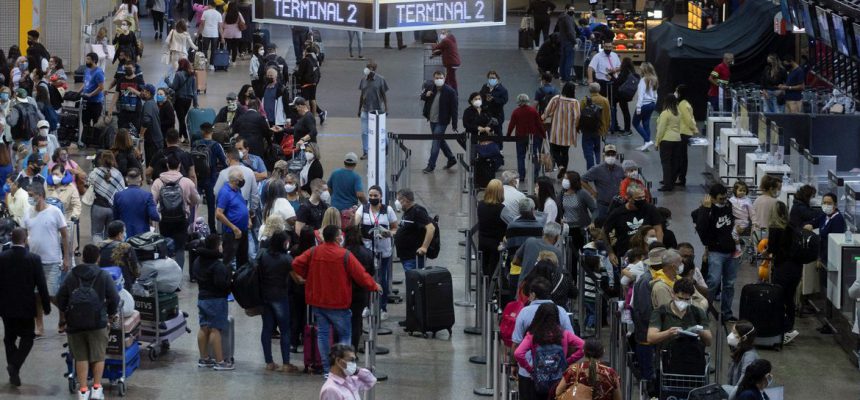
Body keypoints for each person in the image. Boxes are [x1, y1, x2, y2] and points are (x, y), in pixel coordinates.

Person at [292, 225, 381, 375]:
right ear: (336, 237)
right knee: (345, 335)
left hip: (318, 301)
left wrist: (307, 276)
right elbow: (361, 275)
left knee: (323, 335)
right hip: (338, 303)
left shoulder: (314, 251)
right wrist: (374, 285)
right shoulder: (344, 255)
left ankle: (328, 370)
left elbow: (296, 263)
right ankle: (343, 369)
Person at [56, 244, 118, 400]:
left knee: (80, 357)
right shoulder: (104, 275)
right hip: (98, 323)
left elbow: (59, 297)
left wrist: (65, 314)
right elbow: (114, 298)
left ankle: (83, 391)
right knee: (98, 355)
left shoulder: (72, 275)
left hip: (75, 323)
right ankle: (97, 389)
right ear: (98, 258)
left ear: (82, 257)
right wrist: (110, 313)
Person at [0, 227, 50, 387]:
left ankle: (13, 368)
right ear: (25, 239)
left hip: (5, 306)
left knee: (9, 338)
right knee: (28, 338)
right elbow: (41, 284)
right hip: (26, 307)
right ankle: (14, 365)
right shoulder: (34, 259)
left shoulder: (2, 257)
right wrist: (47, 305)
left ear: (11, 238)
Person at [512, 278, 576, 399]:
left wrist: (514, 365)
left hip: (528, 373)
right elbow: (572, 343)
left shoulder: (524, 312)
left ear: (533, 294)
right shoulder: (561, 311)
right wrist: (565, 362)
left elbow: (516, 344)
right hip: (555, 372)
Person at [514, 302, 585, 399]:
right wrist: (567, 361)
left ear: (538, 316)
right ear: (556, 317)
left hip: (538, 380)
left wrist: (530, 369)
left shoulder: (532, 336)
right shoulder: (564, 334)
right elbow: (583, 347)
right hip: (559, 380)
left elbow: (518, 353)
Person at [257, 230, 299, 372]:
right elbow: (297, 279)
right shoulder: (286, 259)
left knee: (267, 329)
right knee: (285, 330)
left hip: (265, 296)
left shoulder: (263, 255)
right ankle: (286, 363)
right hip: (280, 296)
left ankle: (269, 362)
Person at [695, 184, 738, 320]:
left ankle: (727, 312)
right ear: (712, 199)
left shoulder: (728, 206)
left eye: (725, 198)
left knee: (729, 283)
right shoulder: (706, 210)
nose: (724, 201)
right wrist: (705, 209)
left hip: (730, 251)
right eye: (720, 199)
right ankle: (706, 309)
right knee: (713, 282)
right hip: (716, 251)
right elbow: (701, 228)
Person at [354, 185, 398, 318]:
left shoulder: (388, 210)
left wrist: (389, 233)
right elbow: (356, 221)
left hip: (384, 249)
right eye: (371, 195)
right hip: (368, 250)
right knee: (367, 277)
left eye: (375, 196)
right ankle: (366, 306)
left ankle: (383, 308)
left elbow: (395, 227)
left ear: (381, 196)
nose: (373, 198)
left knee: (382, 278)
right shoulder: (364, 208)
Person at [151, 154, 200, 270]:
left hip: (164, 219)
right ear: (179, 165)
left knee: (165, 246)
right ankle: (178, 276)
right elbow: (196, 199)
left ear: (167, 165)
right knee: (180, 248)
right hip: (181, 219)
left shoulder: (158, 182)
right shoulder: (187, 182)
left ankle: (167, 274)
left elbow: (152, 201)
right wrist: (189, 204)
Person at [194, 233, 234, 371]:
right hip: (216, 300)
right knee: (215, 329)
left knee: (203, 327)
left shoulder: (198, 261)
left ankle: (204, 359)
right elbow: (222, 284)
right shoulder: (218, 265)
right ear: (217, 246)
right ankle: (220, 361)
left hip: (202, 298)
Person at [765, 201, 802, 344]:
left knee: (778, 298)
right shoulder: (792, 227)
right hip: (796, 268)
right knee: (789, 299)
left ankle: (781, 328)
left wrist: (766, 250)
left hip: (782, 268)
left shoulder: (775, 228)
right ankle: (789, 328)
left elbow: (773, 248)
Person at [646, 277, 713, 346]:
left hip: (692, 354)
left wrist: (701, 332)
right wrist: (668, 333)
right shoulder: (660, 312)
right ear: (673, 294)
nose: (683, 302)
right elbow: (651, 338)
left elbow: (709, 342)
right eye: (680, 298)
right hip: (669, 354)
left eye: (687, 299)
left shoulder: (698, 312)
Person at [342, 225, 375, 349]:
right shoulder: (367, 252)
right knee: (356, 320)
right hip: (361, 292)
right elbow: (371, 272)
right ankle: (353, 348)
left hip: (345, 291)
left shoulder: (343, 252)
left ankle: (343, 347)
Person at [555, 339, 621, 400]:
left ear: (583, 351)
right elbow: (618, 398)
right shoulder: (610, 373)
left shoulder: (573, 370)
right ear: (603, 351)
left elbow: (558, 392)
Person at [420, 71, 458, 174]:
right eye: (436, 78)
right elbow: (422, 97)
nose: (438, 80)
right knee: (440, 140)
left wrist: (454, 124)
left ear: (444, 78)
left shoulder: (450, 92)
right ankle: (451, 158)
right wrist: (426, 95)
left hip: (442, 121)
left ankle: (431, 165)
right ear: (433, 78)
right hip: (432, 119)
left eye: (441, 78)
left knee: (436, 141)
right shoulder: (430, 87)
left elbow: (454, 109)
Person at [542, 81, 579, 178]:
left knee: (554, 151)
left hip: (556, 130)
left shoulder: (556, 99)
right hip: (568, 132)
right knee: (565, 152)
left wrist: (544, 117)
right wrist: (576, 127)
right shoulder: (575, 102)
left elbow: (547, 111)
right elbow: (577, 117)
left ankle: (560, 166)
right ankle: (564, 172)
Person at [196, 122, 229, 229]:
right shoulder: (216, 145)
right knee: (211, 205)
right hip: (211, 178)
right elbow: (225, 162)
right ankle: (212, 229)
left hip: (198, 177)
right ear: (212, 131)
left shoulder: (196, 143)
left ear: (202, 131)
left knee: (194, 204)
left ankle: (193, 227)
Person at [216, 168, 251, 268]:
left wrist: (248, 219)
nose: (243, 180)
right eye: (241, 178)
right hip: (232, 233)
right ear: (235, 181)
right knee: (228, 260)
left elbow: (242, 205)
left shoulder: (237, 189)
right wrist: (234, 228)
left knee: (243, 259)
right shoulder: (225, 192)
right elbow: (218, 214)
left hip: (243, 230)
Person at [394, 188, 435, 271]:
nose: (397, 202)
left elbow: (431, 228)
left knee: (414, 282)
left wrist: (424, 247)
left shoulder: (418, 211)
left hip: (413, 258)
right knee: (411, 281)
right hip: (406, 256)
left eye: (398, 199)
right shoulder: (407, 212)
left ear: (405, 200)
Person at [112, 168, 159, 238]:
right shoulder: (147, 196)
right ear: (140, 179)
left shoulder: (118, 196)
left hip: (124, 235)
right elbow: (154, 216)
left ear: (126, 179)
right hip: (142, 236)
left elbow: (115, 218)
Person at [506, 93, 544, 180]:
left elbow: (511, 125)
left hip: (520, 137)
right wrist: (543, 134)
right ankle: (535, 175)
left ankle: (522, 176)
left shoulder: (516, 112)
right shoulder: (533, 111)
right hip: (533, 137)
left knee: (520, 157)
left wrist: (508, 135)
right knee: (534, 156)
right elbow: (539, 124)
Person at [513, 222, 563, 287]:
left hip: (522, 291)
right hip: (543, 292)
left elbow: (515, 261)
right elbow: (557, 277)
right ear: (557, 237)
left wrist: (528, 265)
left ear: (543, 232)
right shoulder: (557, 253)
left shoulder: (529, 241)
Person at [582, 144, 624, 220]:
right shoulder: (597, 169)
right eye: (608, 154)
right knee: (601, 225)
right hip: (603, 206)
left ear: (616, 155)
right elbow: (582, 180)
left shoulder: (620, 169)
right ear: (603, 155)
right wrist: (592, 192)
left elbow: (625, 180)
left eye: (613, 154)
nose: (611, 156)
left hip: (617, 205)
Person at [561, 170, 596, 259]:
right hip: (567, 229)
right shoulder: (562, 194)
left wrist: (592, 222)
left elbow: (594, 209)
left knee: (584, 256)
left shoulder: (582, 194)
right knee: (570, 257)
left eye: (566, 178)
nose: (564, 180)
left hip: (581, 230)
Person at [357, 61, 389, 159]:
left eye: (369, 67)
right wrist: (359, 109)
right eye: (366, 67)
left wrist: (386, 108)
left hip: (378, 110)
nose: (366, 69)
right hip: (365, 109)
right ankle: (366, 151)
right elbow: (362, 95)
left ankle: (386, 146)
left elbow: (384, 95)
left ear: (373, 70)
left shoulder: (381, 80)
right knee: (364, 132)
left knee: (381, 131)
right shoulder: (363, 80)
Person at [478, 179, 508, 278]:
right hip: (496, 243)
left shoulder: (480, 205)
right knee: (494, 269)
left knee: (485, 267)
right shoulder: (502, 208)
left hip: (482, 240)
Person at [97, 221, 139, 290]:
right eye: (124, 231)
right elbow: (135, 269)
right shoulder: (126, 247)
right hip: (123, 285)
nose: (125, 234)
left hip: (103, 283)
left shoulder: (99, 245)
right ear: (119, 234)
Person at [655, 94, 683, 192]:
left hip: (666, 141)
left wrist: (657, 142)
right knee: (674, 162)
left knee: (666, 163)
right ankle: (671, 181)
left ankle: (667, 184)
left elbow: (661, 129)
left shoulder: (665, 113)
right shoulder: (678, 112)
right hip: (677, 140)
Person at [580, 83, 611, 169]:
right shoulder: (605, 100)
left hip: (587, 130)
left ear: (590, 90)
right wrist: (606, 128)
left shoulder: (585, 100)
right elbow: (608, 116)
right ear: (599, 90)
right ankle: (598, 165)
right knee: (597, 148)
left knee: (588, 150)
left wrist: (578, 127)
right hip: (599, 129)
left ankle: (591, 168)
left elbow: (580, 114)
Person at [167, 59, 198, 143]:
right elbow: (194, 91)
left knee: (181, 119)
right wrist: (195, 103)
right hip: (188, 100)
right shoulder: (192, 75)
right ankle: (180, 136)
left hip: (179, 100)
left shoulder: (178, 75)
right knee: (182, 119)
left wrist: (167, 81)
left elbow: (173, 87)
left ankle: (186, 138)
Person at [113, 61, 145, 132]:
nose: (127, 69)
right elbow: (116, 94)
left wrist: (134, 90)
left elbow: (144, 96)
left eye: (129, 68)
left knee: (135, 132)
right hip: (123, 112)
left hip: (135, 113)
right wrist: (110, 108)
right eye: (126, 68)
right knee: (121, 132)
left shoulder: (139, 80)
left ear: (134, 69)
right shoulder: (121, 80)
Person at [818, 192, 846, 272]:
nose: (826, 205)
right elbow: (815, 222)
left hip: (830, 259)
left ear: (835, 205)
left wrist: (821, 258)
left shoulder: (837, 220)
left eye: (829, 203)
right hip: (824, 257)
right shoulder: (825, 215)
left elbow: (831, 243)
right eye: (824, 203)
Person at [633, 62, 659, 151]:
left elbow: (641, 94)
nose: (640, 69)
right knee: (646, 123)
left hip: (644, 104)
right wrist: (654, 102)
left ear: (644, 70)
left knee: (635, 123)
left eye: (641, 68)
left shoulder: (643, 80)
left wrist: (638, 107)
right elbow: (656, 94)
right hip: (651, 104)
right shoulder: (654, 79)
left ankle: (647, 141)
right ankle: (645, 145)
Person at [139, 84, 164, 166]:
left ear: (148, 93)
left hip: (153, 142)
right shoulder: (153, 103)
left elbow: (146, 121)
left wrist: (141, 135)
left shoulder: (148, 104)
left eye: (143, 91)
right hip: (157, 140)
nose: (141, 92)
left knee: (151, 165)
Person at [727, 320, 760, 386]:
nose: (731, 335)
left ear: (744, 338)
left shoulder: (749, 357)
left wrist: (730, 395)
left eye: (734, 333)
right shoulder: (739, 350)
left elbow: (743, 382)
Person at [610, 57, 636, 135]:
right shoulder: (631, 71)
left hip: (622, 95)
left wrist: (611, 77)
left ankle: (626, 129)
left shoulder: (624, 72)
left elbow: (618, 82)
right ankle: (626, 128)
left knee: (625, 111)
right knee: (625, 111)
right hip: (626, 94)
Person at [479, 70, 509, 137]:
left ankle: (499, 146)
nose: (492, 79)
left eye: (493, 78)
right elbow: (480, 96)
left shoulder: (502, 90)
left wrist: (494, 99)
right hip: (486, 115)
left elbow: (504, 101)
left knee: (498, 132)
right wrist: (484, 100)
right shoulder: (485, 87)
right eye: (490, 78)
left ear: (497, 79)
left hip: (497, 115)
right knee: (485, 132)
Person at [79, 53, 105, 128]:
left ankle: (95, 139)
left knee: (96, 123)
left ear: (94, 61)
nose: (86, 61)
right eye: (86, 59)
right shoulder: (87, 70)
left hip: (96, 102)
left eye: (88, 59)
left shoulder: (99, 72)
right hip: (86, 101)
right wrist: (78, 93)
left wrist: (90, 94)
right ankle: (86, 138)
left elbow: (101, 87)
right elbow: (85, 83)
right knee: (85, 122)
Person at [557, 4, 578, 82]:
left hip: (563, 42)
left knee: (563, 60)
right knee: (569, 61)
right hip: (569, 42)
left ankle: (562, 76)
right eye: (571, 9)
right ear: (566, 9)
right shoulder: (568, 18)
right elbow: (570, 31)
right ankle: (567, 78)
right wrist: (574, 42)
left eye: (573, 9)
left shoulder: (561, 17)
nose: (572, 11)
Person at [200, 3, 225, 68]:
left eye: (208, 5)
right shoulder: (218, 14)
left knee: (205, 49)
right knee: (213, 50)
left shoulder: (205, 13)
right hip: (215, 34)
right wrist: (222, 37)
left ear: (210, 5)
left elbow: (202, 24)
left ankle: (205, 61)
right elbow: (220, 27)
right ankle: (211, 65)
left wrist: (198, 33)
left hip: (206, 33)